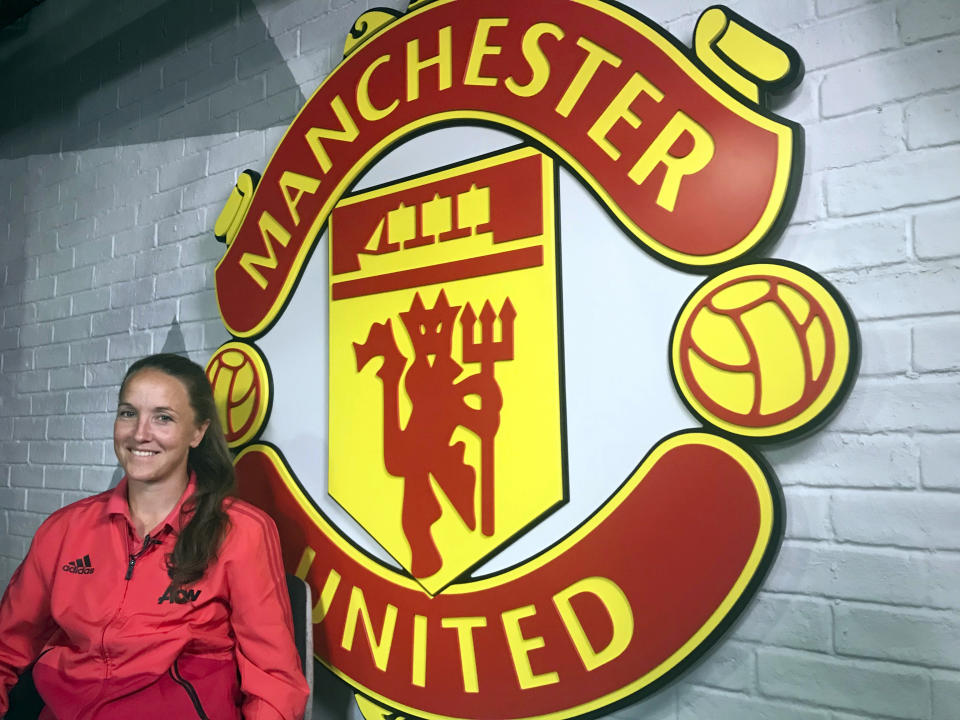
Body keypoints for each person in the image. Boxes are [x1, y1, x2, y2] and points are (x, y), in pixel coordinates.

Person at [0, 353, 310, 720]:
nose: (139, 433)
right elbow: (7, 647)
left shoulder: (241, 532)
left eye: (163, 417)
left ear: (198, 432)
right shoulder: (65, 529)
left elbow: (274, 682)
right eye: (128, 413)